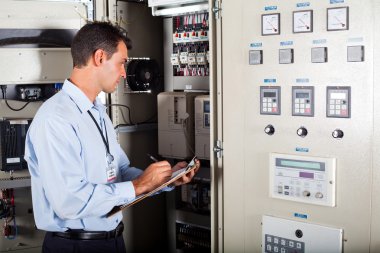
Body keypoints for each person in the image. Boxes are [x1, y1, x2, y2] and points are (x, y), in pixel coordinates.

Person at [24, 21, 200, 253]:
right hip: (75, 246)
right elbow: (70, 202)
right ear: (99, 58)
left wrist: (164, 181)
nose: (124, 73)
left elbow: (119, 172)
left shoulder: (96, 113)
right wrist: (139, 185)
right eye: (121, 63)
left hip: (112, 241)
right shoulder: (56, 120)